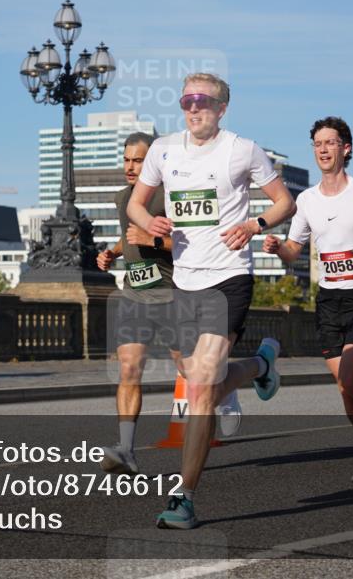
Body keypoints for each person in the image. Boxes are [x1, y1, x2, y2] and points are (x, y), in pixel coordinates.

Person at [127, 73, 296, 529]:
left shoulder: (242, 149)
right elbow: (136, 205)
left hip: (229, 278)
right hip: (185, 281)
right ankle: (261, 365)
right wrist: (150, 222)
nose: (193, 107)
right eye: (187, 100)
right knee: (194, 374)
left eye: (203, 101)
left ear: (222, 108)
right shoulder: (163, 150)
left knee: (200, 387)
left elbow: (285, 202)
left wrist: (256, 225)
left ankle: (184, 498)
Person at [264, 116, 353, 485]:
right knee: (345, 388)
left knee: (349, 379)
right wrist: (277, 246)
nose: (323, 150)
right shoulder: (306, 200)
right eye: (317, 144)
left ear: (346, 149)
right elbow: (294, 250)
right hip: (329, 300)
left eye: (330, 143)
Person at [95, 132, 244, 477]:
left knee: (192, 374)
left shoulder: (171, 193)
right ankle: (127, 449)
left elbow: (197, 239)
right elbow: (127, 235)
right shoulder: (124, 197)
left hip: (173, 292)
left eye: (138, 160)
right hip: (135, 293)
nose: (131, 167)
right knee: (129, 368)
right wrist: (112, 253)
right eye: (127, 160)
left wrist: (153, 240)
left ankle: (227, 390)